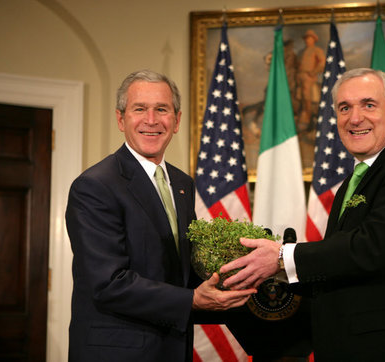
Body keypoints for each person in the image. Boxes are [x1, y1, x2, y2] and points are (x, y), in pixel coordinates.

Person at [221, 68, 385, 362]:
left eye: (368, 104)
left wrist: (282, 257)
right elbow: (340, 268)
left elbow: (373, 247)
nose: (354, 118)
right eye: (344, 108)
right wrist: (258, 282)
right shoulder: (353, 181)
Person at [65, 69, 255, 362]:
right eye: (139, 109)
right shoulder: (95, 186)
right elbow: (108, 283)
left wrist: (235, 276)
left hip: (171, 347)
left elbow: (179, 267)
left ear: (176, 121)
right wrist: (192, 299)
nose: (151, 120)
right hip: (117, 352)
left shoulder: (181, 184)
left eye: (162, 110)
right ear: (121, 119)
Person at [296, 29, 325, 131]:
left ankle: (307, 115)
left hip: (309, 76)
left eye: (310, 38)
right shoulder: (300, 52)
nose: (307, 40)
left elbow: (322, 63)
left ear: (314, 40)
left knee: (305, 92)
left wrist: (313, 72)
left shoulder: (316, 50)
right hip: (299, 75)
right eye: (306, 38)